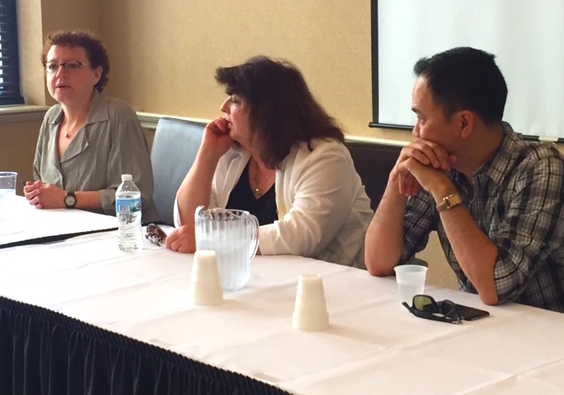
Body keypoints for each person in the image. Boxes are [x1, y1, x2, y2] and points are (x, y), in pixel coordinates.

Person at [365, 47, 564, 319]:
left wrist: (443, 191)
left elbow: (496, 288)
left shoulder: (542, 167)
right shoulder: (438, 166)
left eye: (422, 119)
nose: (415, 132)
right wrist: (398, 177)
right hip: (484, 331)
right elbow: (378, 263)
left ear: (464, 123)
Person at [167, 56, 373, 268]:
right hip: (253, 279)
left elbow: (301, 236)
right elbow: (189, 225)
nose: (223, 107)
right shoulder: (233, 151)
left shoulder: (325, 157)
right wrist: (207, 155)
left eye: (235, 100)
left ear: (265, 111)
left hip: (328, 286)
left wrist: (216, 241)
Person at [23, 30, 158, 222]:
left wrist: (66, 199)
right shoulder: (51, 118)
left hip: (121, 235)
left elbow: (136, 196)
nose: (60, 73)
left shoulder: (118, 116)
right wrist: (37, 193)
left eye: (72, 65)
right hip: (62, 229)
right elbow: (42, 183)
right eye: (52, 66)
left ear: (96, 73)